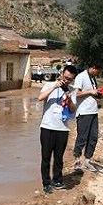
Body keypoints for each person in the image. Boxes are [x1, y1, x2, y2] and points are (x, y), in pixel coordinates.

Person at [37, 64, 77, 194]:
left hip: (62, 128)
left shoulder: (72, 90)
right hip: (47, 127)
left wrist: (69, 97)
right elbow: (40, 98)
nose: (66, 81)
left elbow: (73, 109)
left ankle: (57, 180)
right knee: (46, 157)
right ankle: (46, 183)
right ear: (61, 75)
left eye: (69, 79)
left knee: (59, 157)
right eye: (65, 78)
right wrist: (55, 87)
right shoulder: (49, 85)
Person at [71, 60, 103, 173]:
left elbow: (92, 93)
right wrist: (91, 91)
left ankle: (88, 160)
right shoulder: (81, 77)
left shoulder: (92, 78)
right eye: (98, 71)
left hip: (93, 112)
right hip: (84, 112)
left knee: (93, 137)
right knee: (82, 137)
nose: (98, 74)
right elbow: (77, 94)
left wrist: (98, 94)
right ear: (94, 68)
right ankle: (77, 160)